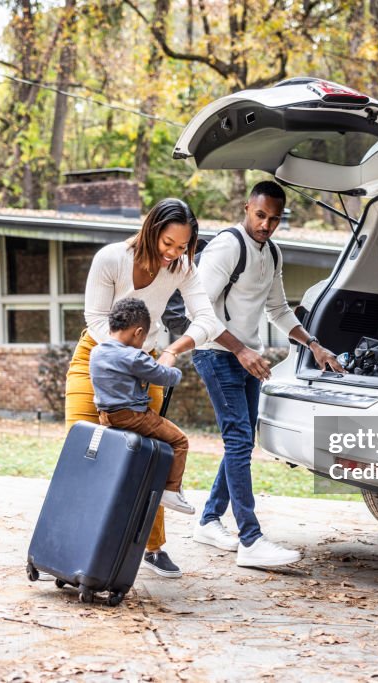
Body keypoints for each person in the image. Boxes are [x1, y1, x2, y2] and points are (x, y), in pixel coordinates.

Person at [65, 198, 224, 579]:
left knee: (150, 457)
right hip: (97, 358)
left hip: (144, 363)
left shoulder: (182, 268)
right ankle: (72, 540)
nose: (173, 253)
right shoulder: (111, 258)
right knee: (81, 451)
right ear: (151, 230)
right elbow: (95, 318)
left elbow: (207, 319)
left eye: (182, 246)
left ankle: (152, 547)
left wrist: (170, 350)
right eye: (168, 243)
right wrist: (125, 355)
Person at [191, 180, 344, 568]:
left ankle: (208, 520)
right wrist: (240, 350)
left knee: (241, 442)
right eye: (260, 215)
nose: (266, 225)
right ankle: (250, 540)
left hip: (246, 356)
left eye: (274, 219)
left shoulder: (272, 252)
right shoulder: (228, 247)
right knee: (238, 440)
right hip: (216, 353)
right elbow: (199, 311)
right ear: (247, 208)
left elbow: (278, 310)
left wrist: (314, 344)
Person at [90, 298, 193, 517]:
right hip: (133, 416)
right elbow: (164, 377)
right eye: (144, 338)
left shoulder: (97, 352)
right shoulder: (134, 356)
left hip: (106, 417)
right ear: (138, 332)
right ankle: (171, 490)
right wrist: (175, 369)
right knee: (179, 441)